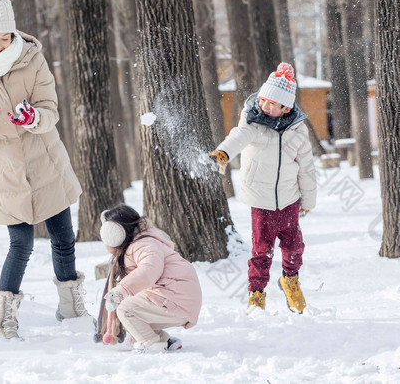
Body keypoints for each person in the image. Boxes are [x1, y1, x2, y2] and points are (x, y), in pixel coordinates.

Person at [0, 0, 86, 339]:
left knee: (63, 237)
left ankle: (72, 308)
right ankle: (5, 319)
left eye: (3, 37)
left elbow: (50, 109)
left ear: (13, 33)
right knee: (21, 244)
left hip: (44, 161)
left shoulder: (31, 58)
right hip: (6, 171)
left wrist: (34, 119)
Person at [209, 62, 316, 313]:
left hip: (289, 199)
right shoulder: (252, 121)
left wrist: (308, 201)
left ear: (285, 107)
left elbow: (307, 169)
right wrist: (224, 153)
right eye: (264, 100)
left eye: (272, 103)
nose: (265, 105)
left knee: (294, 246)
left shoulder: (298, 131)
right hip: (261, 200)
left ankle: (290, 280)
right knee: (261, 250)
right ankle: (256, 294)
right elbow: (238, 137)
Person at [101, 204, 202, 352]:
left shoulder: (144, 245)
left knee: (126, 310)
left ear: (114, 234)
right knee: (135, 315)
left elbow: (149, 270)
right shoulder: (142, 243)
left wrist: (122, 290)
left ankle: (152, 345)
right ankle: (164, 341)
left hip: (176, 299)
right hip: (176, 298)